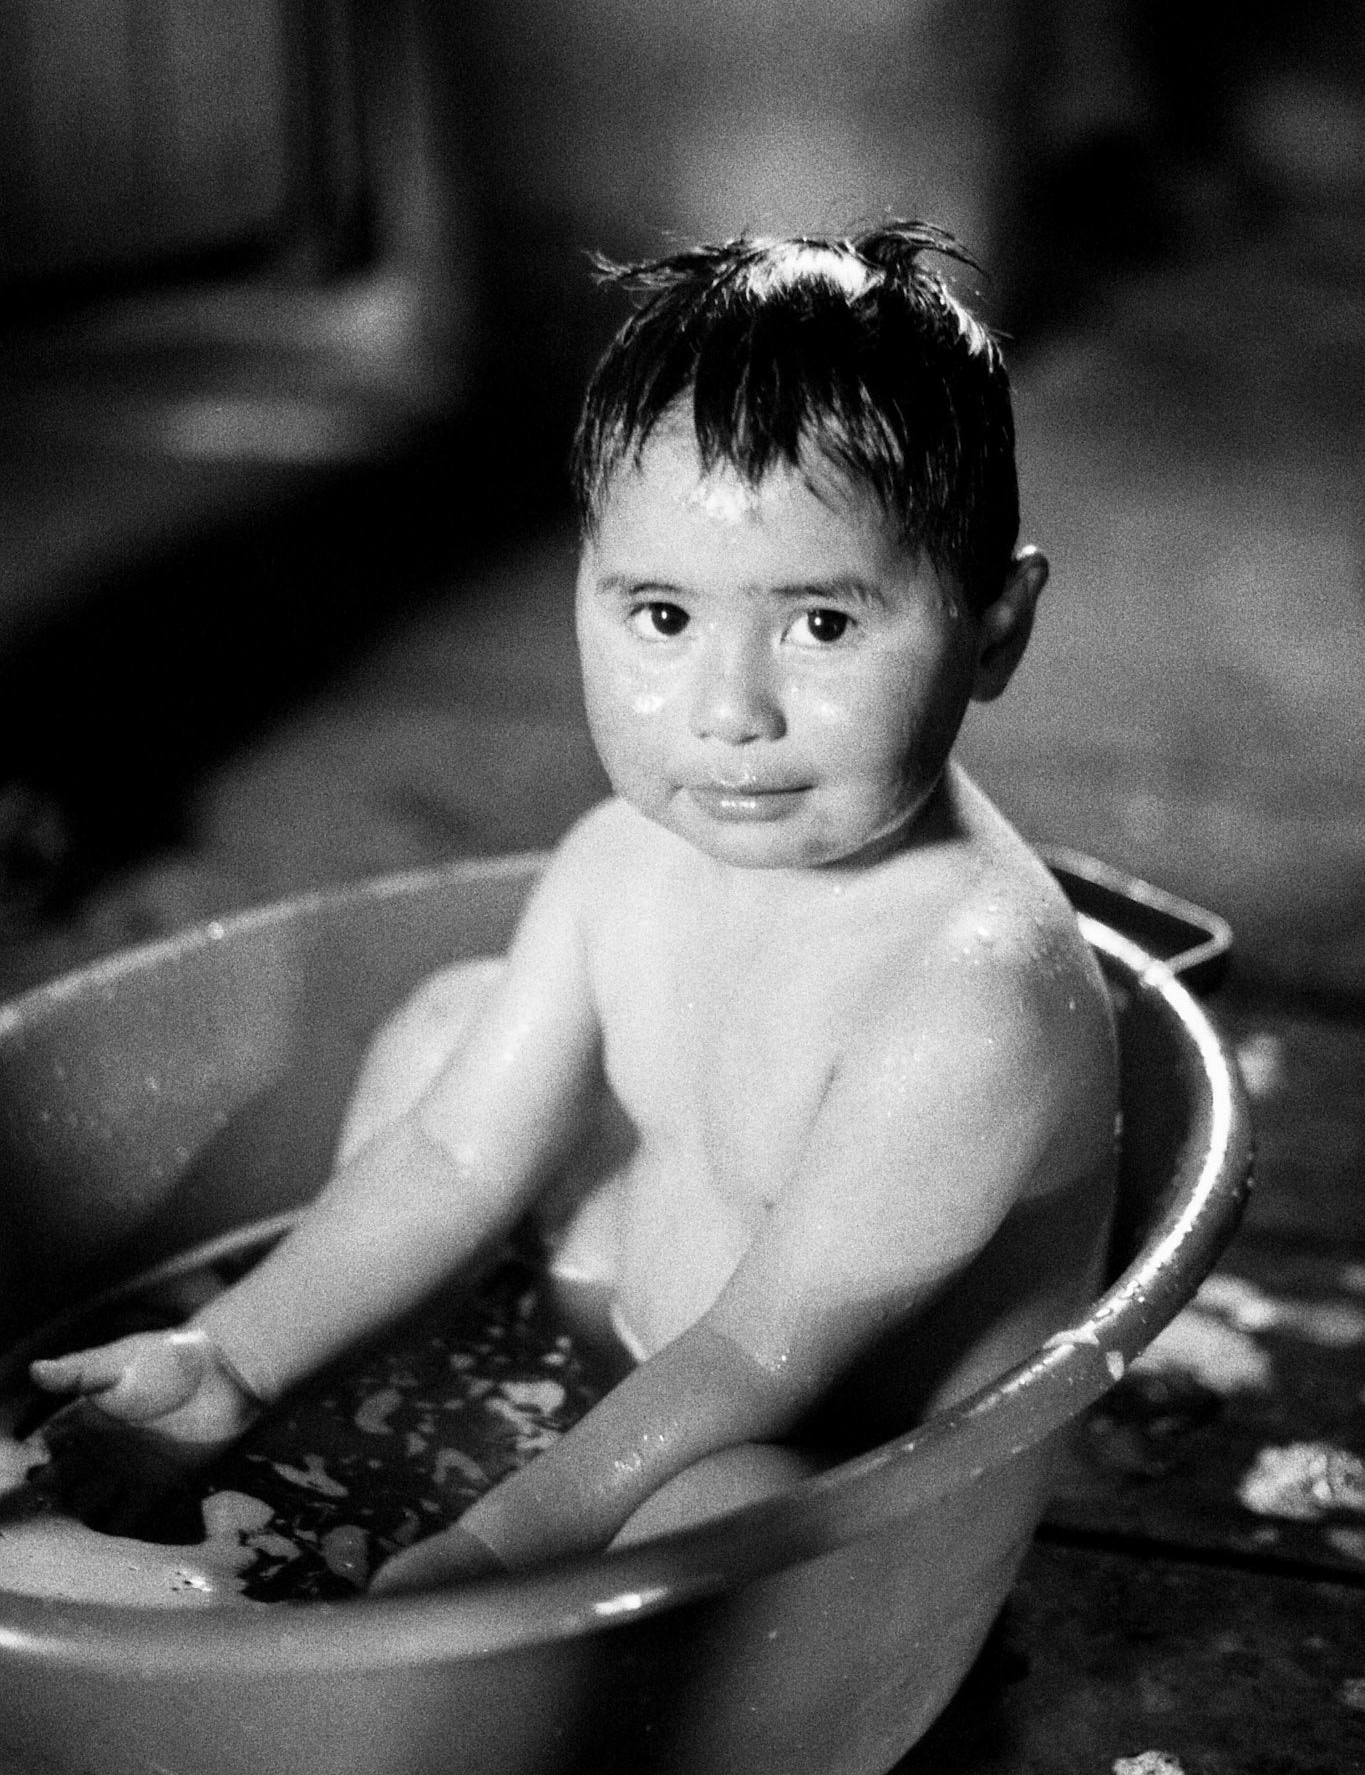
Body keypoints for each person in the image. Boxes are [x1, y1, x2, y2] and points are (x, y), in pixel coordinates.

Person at [30, 221, 1119, 1593]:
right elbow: (455, 1161)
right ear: (584, 593)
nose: (730, 712)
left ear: (995, 629)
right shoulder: (619, 859)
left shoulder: (970, 1000)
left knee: (730, 1510)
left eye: (823, 625)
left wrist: (495, 1552)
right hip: (642, 1311)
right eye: (662, 616)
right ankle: (375, 1368)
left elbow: (756, 1357)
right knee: (455, 1027)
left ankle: (565, 1575)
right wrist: (231, 1360)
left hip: (818, 1426)